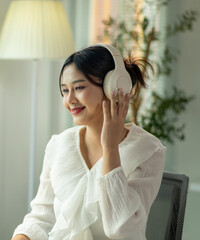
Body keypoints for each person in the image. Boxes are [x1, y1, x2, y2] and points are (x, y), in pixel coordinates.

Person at [11, 44, 166, 240]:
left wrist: (110, 149)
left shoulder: (147, 150)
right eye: (65, 91)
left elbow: (124, 230)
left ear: (114, 87)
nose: (70, 99)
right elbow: (41, 217)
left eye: (79, 88)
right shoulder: (59, 145)